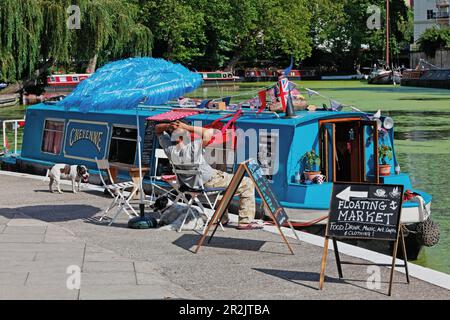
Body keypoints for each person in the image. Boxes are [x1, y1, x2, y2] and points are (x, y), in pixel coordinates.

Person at [155, 120, 261, 230]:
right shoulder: (193, 147)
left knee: (225, 186)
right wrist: (188, 127)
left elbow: (157, 129)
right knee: (247, 182)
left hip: (189, 187)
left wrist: (169, 126)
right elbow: (210, 133)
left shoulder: (169, 149)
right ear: (185, 137)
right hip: (208, 183)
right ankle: (245, 221)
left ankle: (220, 218)